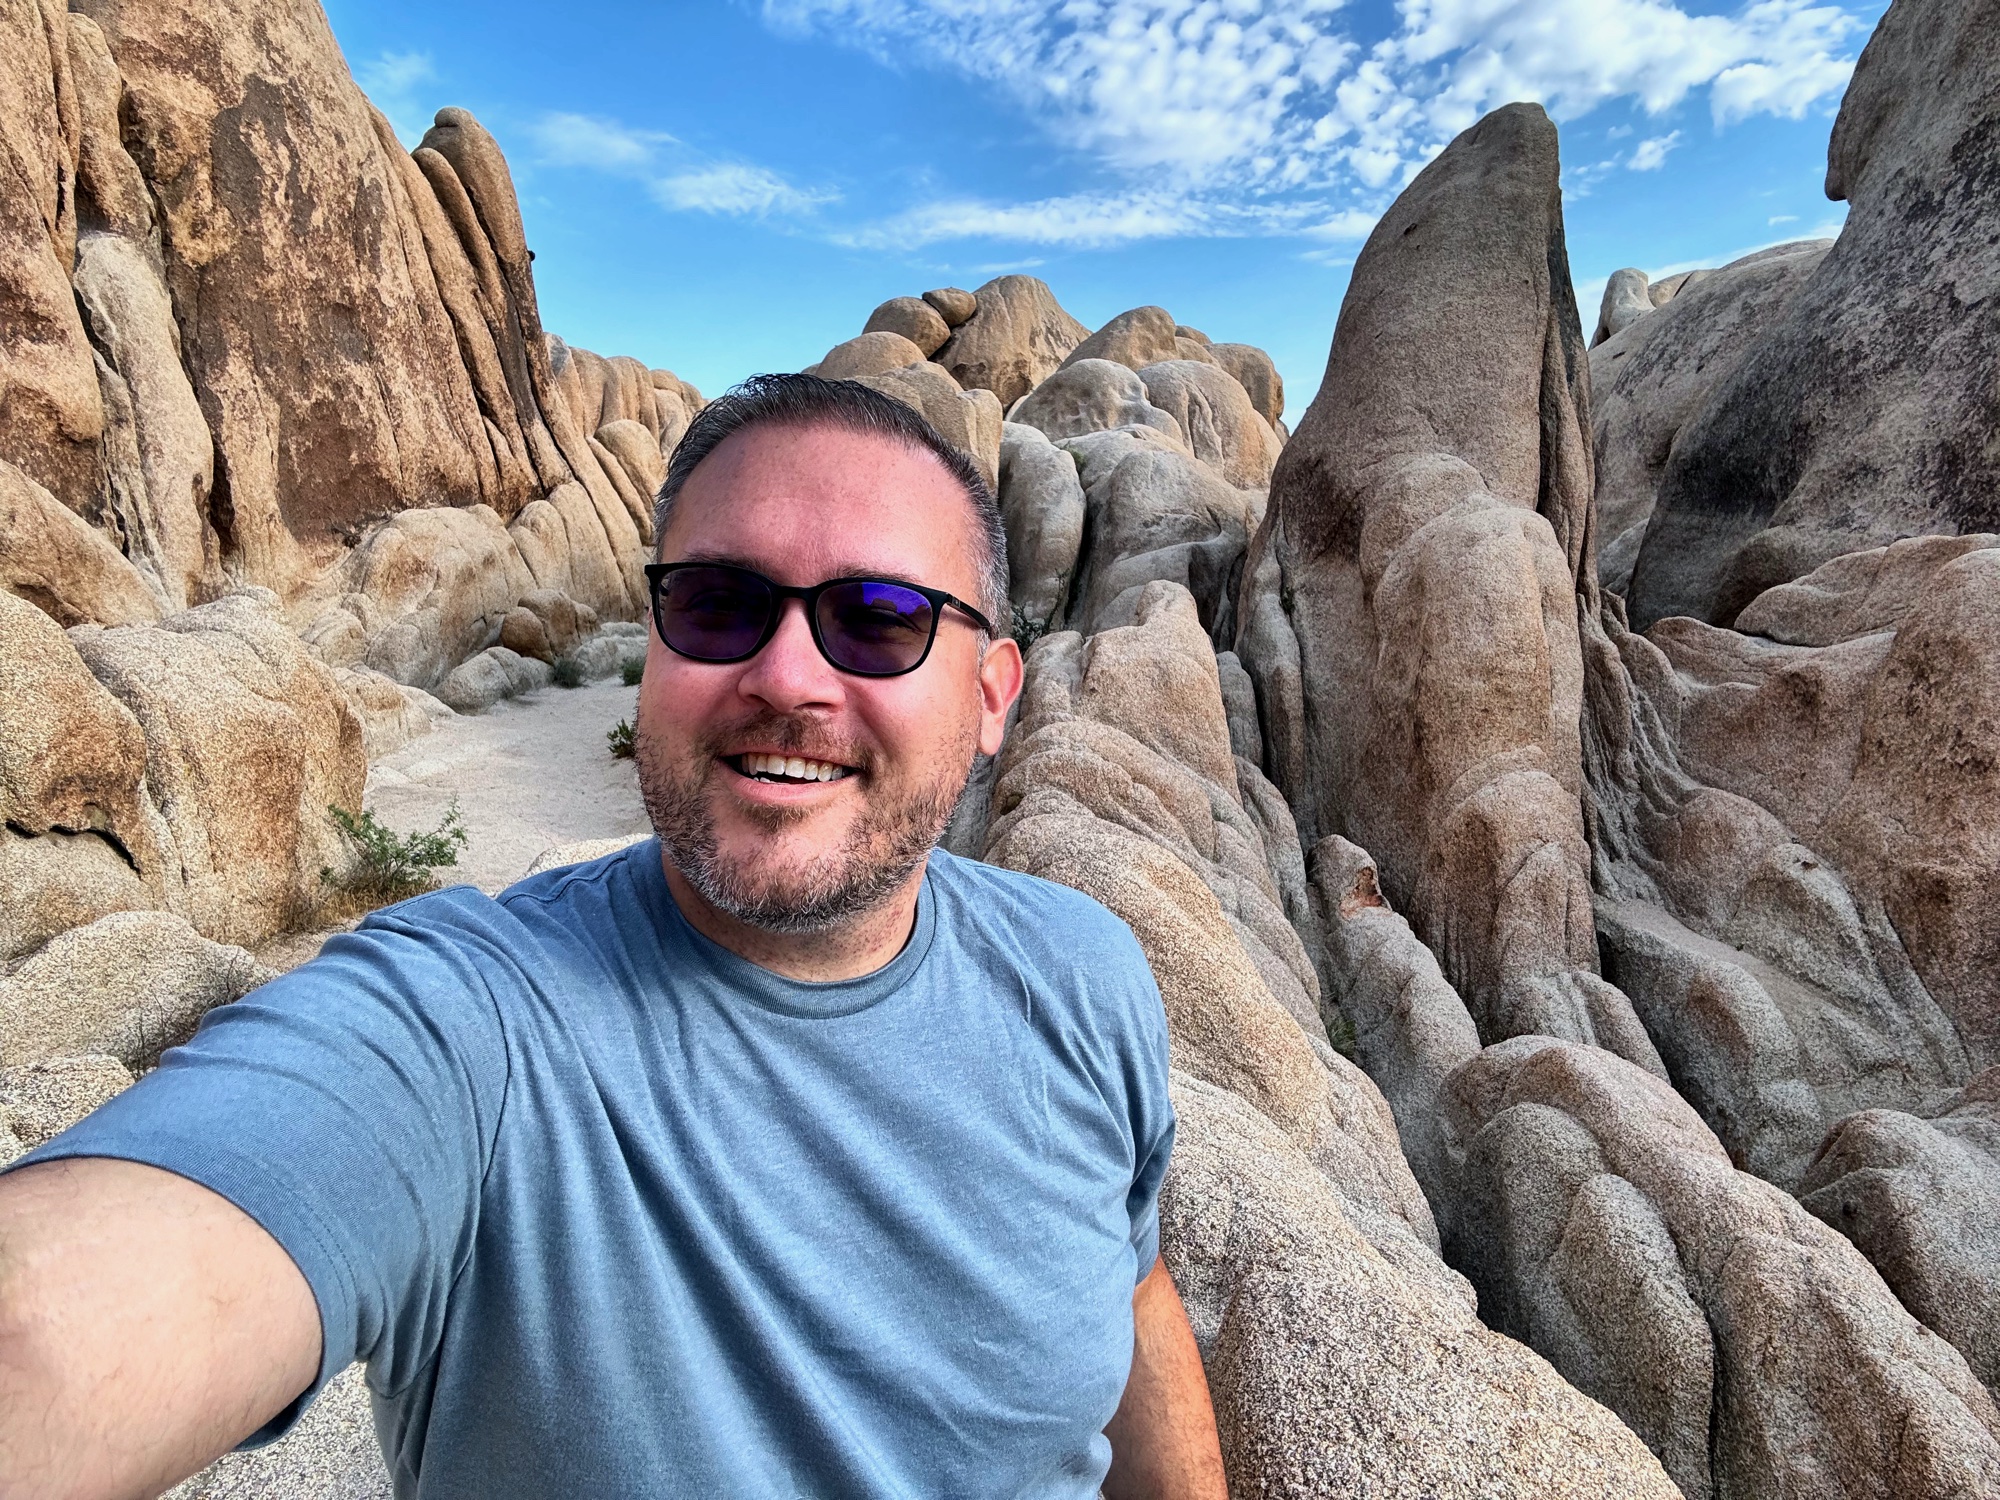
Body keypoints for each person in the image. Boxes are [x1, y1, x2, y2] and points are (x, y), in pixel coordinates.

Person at [0, 374, 1228, 1499]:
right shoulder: (471, 1028)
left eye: (876, 618)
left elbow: (1132, 1291)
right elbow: (49, 1331)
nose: (787, 675)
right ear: (652, 646)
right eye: (718, 603)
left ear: (993, 694)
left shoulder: (1081, 974)